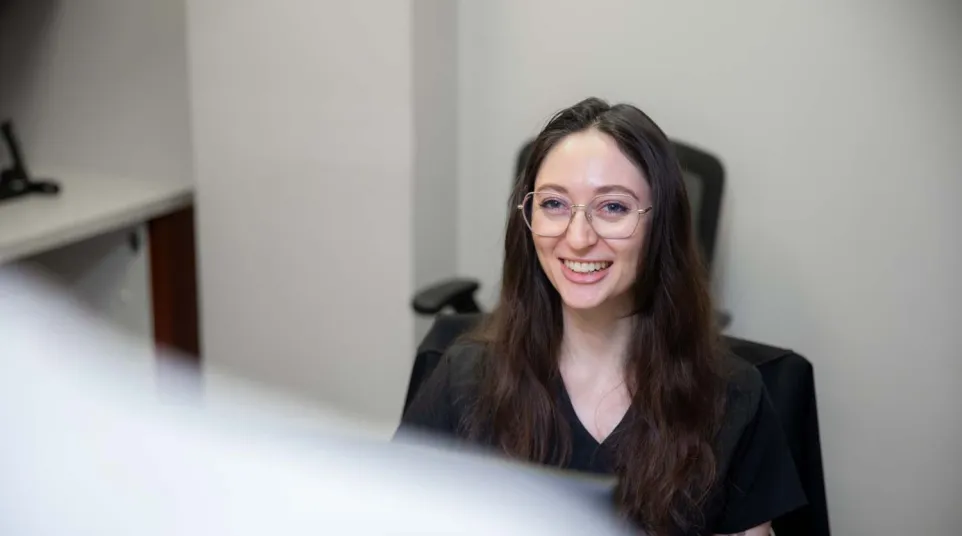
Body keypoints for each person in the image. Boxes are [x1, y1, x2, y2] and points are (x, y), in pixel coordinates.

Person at [398, 97, 807, 535]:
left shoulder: (730, 399)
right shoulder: (464, 380)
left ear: (660, 227)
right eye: (554, 204)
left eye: (613, 207)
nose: (578, 238)